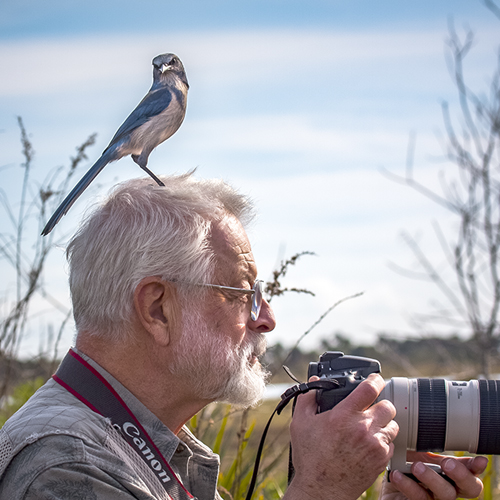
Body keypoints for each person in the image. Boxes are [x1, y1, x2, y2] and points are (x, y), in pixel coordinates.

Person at [0, 173, 487, 499]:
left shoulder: (155, 449)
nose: (267, 318)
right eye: (241, 293)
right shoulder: (65, 468)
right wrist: (317, 490)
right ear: (157, 309)